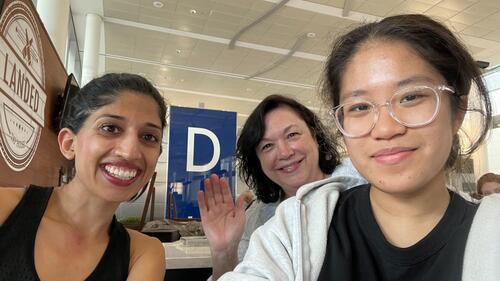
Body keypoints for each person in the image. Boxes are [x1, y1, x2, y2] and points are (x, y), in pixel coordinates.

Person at [215, 14, 500, 281]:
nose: (387, 128)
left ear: (458, 110)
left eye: (411, 97)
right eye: (360, 107)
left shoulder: (492, 233)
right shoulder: (293, 231)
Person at [0, 73, 167, 281]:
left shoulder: (142, 253)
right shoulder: (6, 208)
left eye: (149, 137)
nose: (130, 152)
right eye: (110, 128)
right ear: (69, 144)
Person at [198, 95, 366, 280]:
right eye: (267, 146)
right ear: (258, 161)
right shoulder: (255, 219)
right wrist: (224, 251)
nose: (285, 153)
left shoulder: (362, 181)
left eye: (292, 135)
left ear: (314, 135)